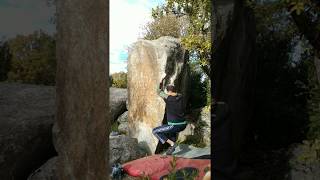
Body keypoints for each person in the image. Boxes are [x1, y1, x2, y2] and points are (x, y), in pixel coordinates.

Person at [152, 77, 187, 155]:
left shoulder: (168, 98)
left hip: (174, 125)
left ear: (169, 91)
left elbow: (158, 91)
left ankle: (172, 144)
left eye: (167, 92)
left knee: (155, 131)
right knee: (172, 133)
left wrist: (160, 83)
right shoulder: (181, 97)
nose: (167, 93)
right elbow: (177, 94)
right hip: (183, 124)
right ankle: (171, 149)